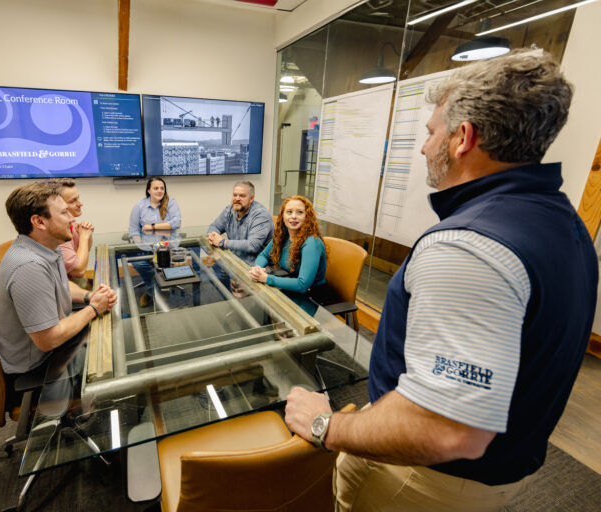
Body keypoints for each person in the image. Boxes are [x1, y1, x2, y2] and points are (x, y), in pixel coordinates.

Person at [284, 49, 598, 511]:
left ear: (463, 138)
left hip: (422, 477)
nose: (424, 147)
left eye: (431, 132)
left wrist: (326, 426)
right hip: (492, 470)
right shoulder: (564, 224)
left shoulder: (467, 247)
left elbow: (450, 429)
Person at [0, 182, 117, 409]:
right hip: (38, 367)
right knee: (118, 380)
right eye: (64, 213)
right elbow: (49, 339)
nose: (72, 219)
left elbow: (63, 285)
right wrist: (94, 308)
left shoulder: (46, 245)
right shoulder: (29, 267)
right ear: (39, 222)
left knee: (112, 340)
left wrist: (89, 296)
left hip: (50, 345)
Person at [249, 195, 326, 314]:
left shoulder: (312, 243)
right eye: (289, 212)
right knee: (255, 310)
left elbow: (302, 285)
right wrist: (258, 268)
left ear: (307, 216)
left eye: (299, 212)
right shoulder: (282, 236)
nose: (293, 216)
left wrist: (267, 278)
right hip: (288, 288)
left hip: (310, 298)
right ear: (283, 216)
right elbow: (264, 256)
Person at [207, 180, 273, 263]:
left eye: (242, 196)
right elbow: (215, 226)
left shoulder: (261, 215)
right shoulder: (229, 210)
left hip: (255, 268)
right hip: (234, 261)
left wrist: (222, 242)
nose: (237, 199)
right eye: (235, 195)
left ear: (251, 198)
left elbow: (252, 245)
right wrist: (212, 236)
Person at [47, 178, 94, 279]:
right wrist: (84, 237)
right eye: (73, 201)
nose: (80, 204)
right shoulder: (57, 231)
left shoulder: (72, 221)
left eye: (78, 198)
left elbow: (84, 250)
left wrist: (86, 235)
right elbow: (78, 270)